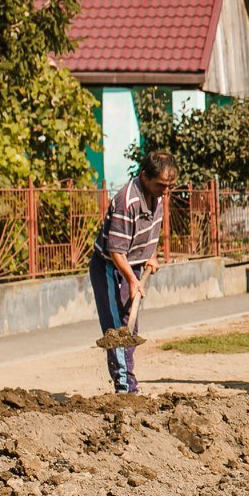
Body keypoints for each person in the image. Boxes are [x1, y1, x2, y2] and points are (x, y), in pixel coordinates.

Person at [90, 150, 175, 394]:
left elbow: (148, 231)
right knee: (118, 330)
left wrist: (150, 254)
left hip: (133, 265)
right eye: (161, 185)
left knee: (131, 326)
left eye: (169, 186)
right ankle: (126, 389)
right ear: (145, 176)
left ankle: (126, 382)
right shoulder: (126, 202)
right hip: (110, 267)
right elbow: (116, 251)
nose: (166, 191)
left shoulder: (157, 196)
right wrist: (132, 280)